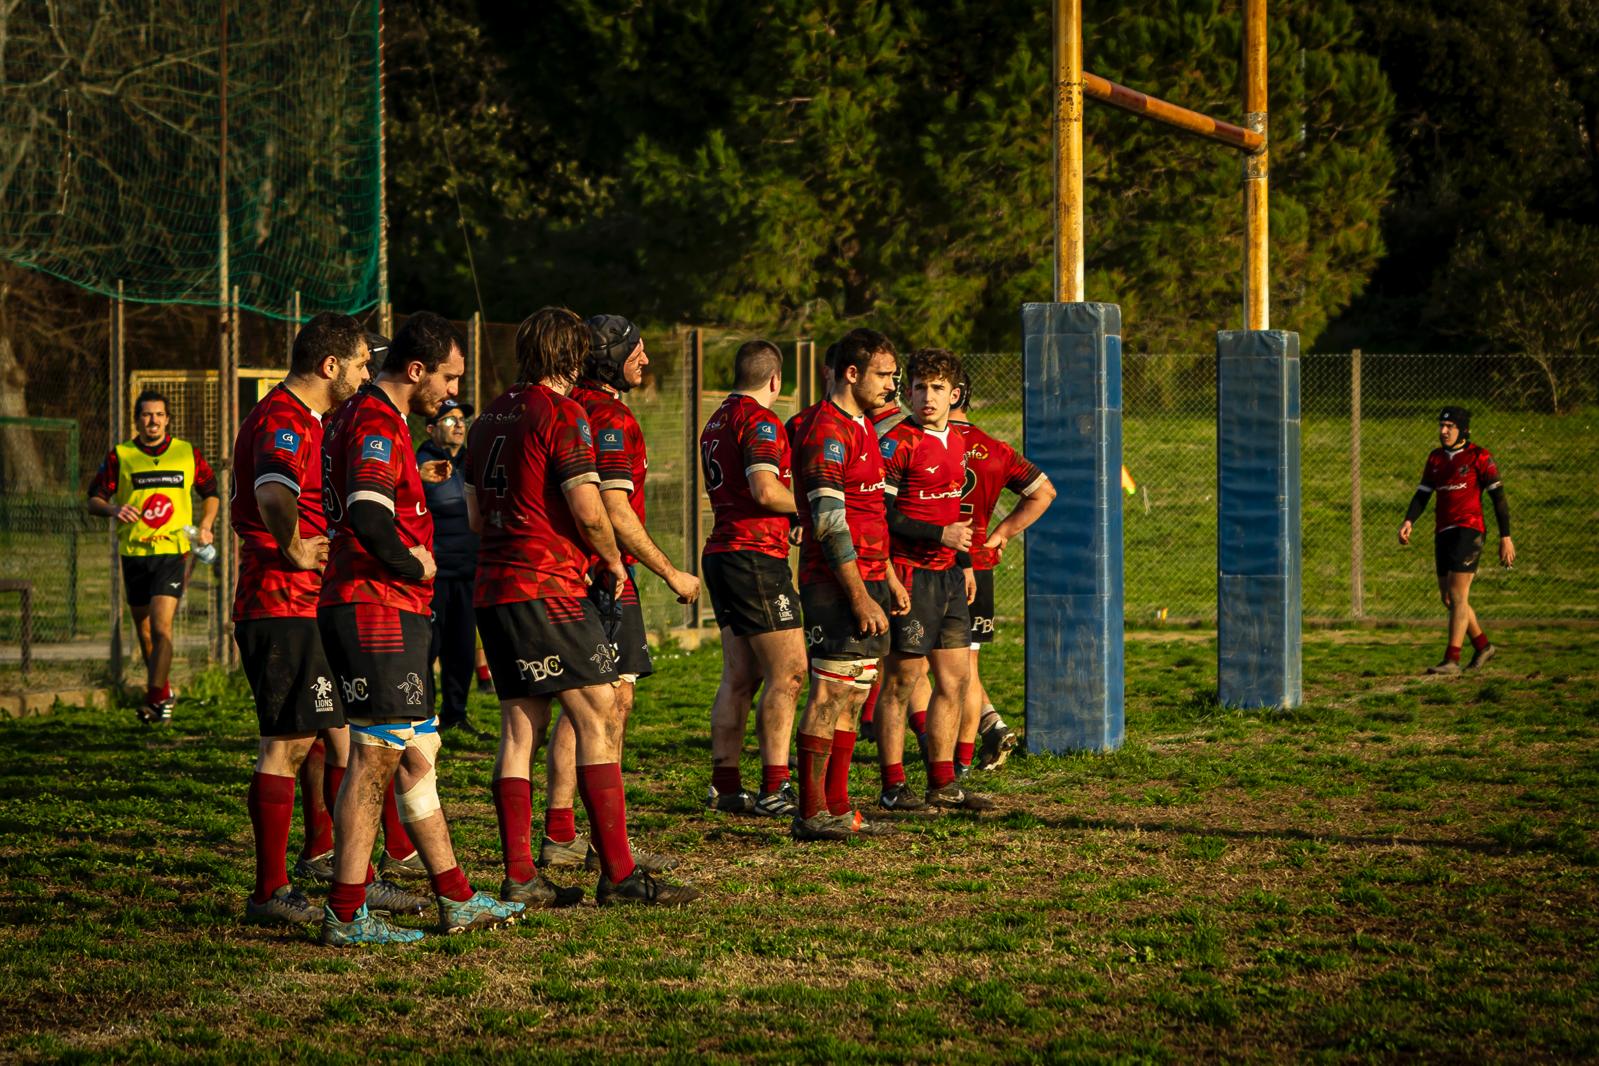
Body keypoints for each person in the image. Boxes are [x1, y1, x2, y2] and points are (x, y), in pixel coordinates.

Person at [468, 306, 699, 906]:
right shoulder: (562, 412)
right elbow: (591, 507)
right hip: (545, 583)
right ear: (573, 356)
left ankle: (522, 876)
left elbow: (471, 513)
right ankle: (619, 874)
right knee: (599, 712)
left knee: (520, 727)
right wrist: (612, 561)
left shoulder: (488, 415)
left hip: (493, 583)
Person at [317, 311, 523, 946]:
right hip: (374, 604)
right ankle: (347, 912)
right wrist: (418, 563)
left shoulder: (367, 416)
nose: (453, 391)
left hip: (385, 605)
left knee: (416, 754)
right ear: (416, 371)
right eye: (449, 376)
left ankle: (455, 896)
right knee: (377, 755)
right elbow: (368, 517)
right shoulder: (376, 420)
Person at [532, 315, 700, 875]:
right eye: (636, 352)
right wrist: (670, 572)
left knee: (586, 706)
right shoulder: (605, 416)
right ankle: (601, 841)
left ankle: (567, 832)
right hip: (603, 577)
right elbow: (611, 508)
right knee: (604, 709)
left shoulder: (577, 406)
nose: (645, 362)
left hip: (575, 576)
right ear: (608, 358)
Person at [231, 312, 379, 926]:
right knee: (285, 747)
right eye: (363, 363)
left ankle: (327, 853)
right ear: (330, 366)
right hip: (279, 603)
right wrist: (294, 548)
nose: (368, 372)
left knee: (336, 734)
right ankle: (269, 892)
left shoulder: (308, 418)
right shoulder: (285, 418)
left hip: (303, 603)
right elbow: (272, 493)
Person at [786, 329, 908, 841]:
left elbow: (870, 514)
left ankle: (837, 805)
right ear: (851, 373)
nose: (893, 384)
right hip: (835, 584)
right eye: (884, 374)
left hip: (871, 577)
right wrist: (859, 594)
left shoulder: (864, 426)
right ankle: (811, 812)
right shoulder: (826, 431)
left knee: (857, 694)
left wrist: (889, 579)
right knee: (831, 691)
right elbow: (830, 523)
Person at [872, 349, 993, 813]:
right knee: (902, 680)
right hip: (909, 572)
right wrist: (938, 536)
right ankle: (892, 785)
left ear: (954, 394)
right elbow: (882, 514)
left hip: (947, 575)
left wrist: (963, 561)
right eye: (919, 387)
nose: (927, 396)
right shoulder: (896, 443)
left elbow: (951, 509)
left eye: (937, 388)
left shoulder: (957, 442)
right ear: (908, 392)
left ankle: (943, 783)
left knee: (956, 678)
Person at [699, 339, 807, 818]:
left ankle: (725, 786)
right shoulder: (761, 420)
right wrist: (813, 504)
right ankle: (775, 788)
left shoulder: (717, 418)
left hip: (722, 551)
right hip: (753, 555)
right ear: (776, 380)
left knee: (740, 675)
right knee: (790, 672)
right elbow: (766, 489)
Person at [944, 372, 1055, 771]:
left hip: (932, 561)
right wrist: (1001, 532)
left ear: (950, 393)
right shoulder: (993, 448)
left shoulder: (919, 440)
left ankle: (950, 757)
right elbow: (1045, 492)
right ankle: (983, 734)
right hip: (979, 562)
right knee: (965, 666)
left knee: (924, 668)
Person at [87, 390, 220, 725]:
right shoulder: (122, 455)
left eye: (159, 415)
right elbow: (94, 499)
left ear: (167, 419)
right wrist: (115, 508)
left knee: (162, 629)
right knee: (145, 633)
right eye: (146, 415)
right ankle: (164, 693)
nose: (153, 421)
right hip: (134, 553)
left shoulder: (186, 453)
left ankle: (152, 699)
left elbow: (211, 493)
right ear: (137, 420)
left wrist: (205, 525)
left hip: (173, 551)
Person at [1398, 406, 1515, 674]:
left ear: (1462, 429)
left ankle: (1452, 659)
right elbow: (1422, 494)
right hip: (1444, 531)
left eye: (1449, 427)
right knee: (1449, 599)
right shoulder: (1436, 459)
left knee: (1458, 594)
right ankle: (1484, 646)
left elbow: (1499, 500)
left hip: (1470, 529)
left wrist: (1505, 537)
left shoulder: (1479, 456)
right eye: (1441, 425)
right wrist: (1408, 521)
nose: (1443, 431)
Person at [417, 396, 481, 732]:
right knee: (430, 647)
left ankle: (456, 713)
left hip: (468, 573)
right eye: (449, 419)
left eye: (462, 420)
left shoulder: (473, 463)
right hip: (434, 575)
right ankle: (425, 714)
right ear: (430, 428)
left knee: (462, 649)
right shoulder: (420, 465)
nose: (459, 425)